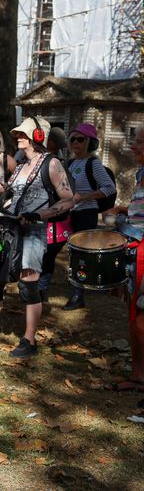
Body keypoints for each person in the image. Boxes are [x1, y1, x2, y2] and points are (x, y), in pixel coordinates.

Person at [0, 116, 74, 358]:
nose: (18, 137)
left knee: (28, 284)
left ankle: (29, 340)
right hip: (7, 230)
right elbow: (10, 196)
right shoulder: (20, 166)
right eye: (19, 134)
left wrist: (39, 214)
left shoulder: (51, 164)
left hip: (32, 233)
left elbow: (68, 199)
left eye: (24, 134)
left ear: (38, 137)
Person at [103, 126, 144, 397]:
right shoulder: (141, 173)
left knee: (140, 315)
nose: (132, 145)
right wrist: (123, 209)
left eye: (139, 141)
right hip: (136, 248)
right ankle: (138, 376)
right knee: (135, 315)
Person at [57, 123, 116, 310]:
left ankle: (78, 295)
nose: (75, 142)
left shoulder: (93, 164)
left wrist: (84, 196)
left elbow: (109, 188)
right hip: (70, 213)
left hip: (87, 213)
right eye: (72, 139)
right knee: (69, 252)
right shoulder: (69, 163)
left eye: (80, 139)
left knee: (82, 254)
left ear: (90, 142)